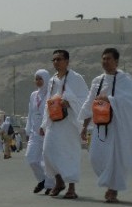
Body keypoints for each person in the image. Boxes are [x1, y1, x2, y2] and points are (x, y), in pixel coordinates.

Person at [79, 48, 132, 203]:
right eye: (103, 59)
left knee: (115, 158)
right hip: (100, 126)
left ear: (116, 62)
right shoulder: (97, 81)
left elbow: (131, 102)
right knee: (95, 157)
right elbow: (89, 104)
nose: (105, 62)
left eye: (108, 59)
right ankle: (109, 183)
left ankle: (113, 189)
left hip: (117, 126)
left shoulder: (125, 80)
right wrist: (84, 126)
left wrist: (110, 99)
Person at [39, 50, 89, 199]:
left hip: (70, 122)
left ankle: (71, 188)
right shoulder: (52, 80)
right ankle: (59, 181)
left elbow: (85, 100)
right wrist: (43, 125)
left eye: (59, 59)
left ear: (67, 61)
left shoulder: (76, 78)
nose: (56, 62)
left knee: (69, 154)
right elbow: (48, 102)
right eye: (53, 60)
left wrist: (70, 101)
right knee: (48, 152)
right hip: (54, 121)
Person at [25, 69, 55, 195]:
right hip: (34, 132)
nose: (38, 81)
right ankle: (42, 180)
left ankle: (50, 185)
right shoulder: (33, 95)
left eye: (40, 79)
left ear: (46, 79)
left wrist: (45, 126)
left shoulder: (51, 94)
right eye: (36, 79)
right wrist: (28, 129)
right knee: (30, 158)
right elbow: (30, 113)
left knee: (46, 159)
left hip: (47, 130)